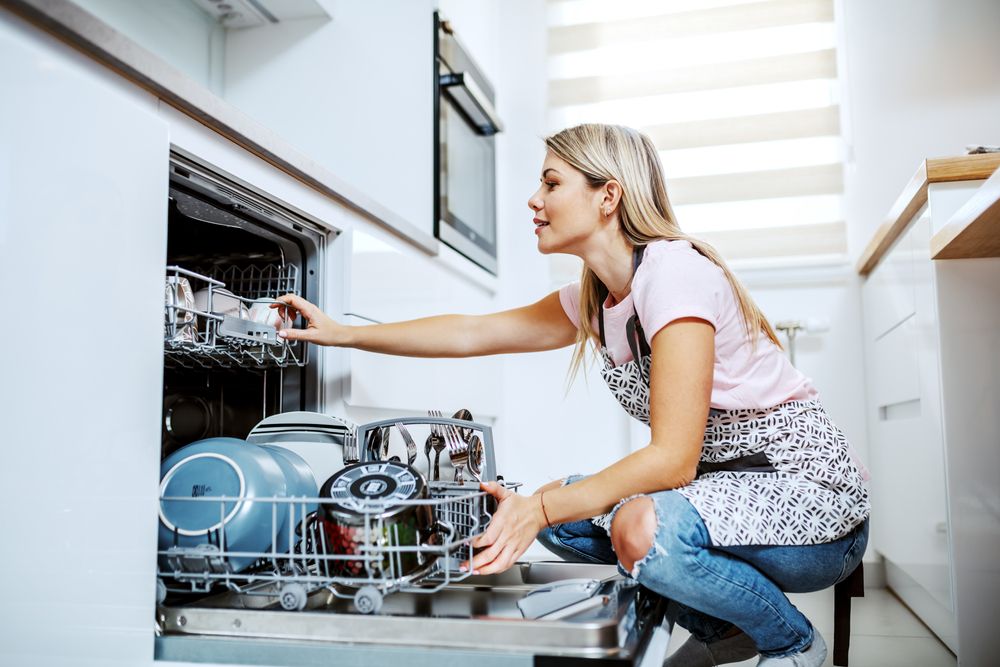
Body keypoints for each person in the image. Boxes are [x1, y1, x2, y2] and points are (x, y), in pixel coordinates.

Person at [273, 123, 870, 667]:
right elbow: (472, 331)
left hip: (814, 507)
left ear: (607, 196)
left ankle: (791, 641)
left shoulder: (674, 273)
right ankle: (729, 630)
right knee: (556, 507)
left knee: (631, 526)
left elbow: (673, 459)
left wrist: (540, 509)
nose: (534, 199)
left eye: (551, 183)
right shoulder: (595, 296)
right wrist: (342, 331)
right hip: (728, 495)